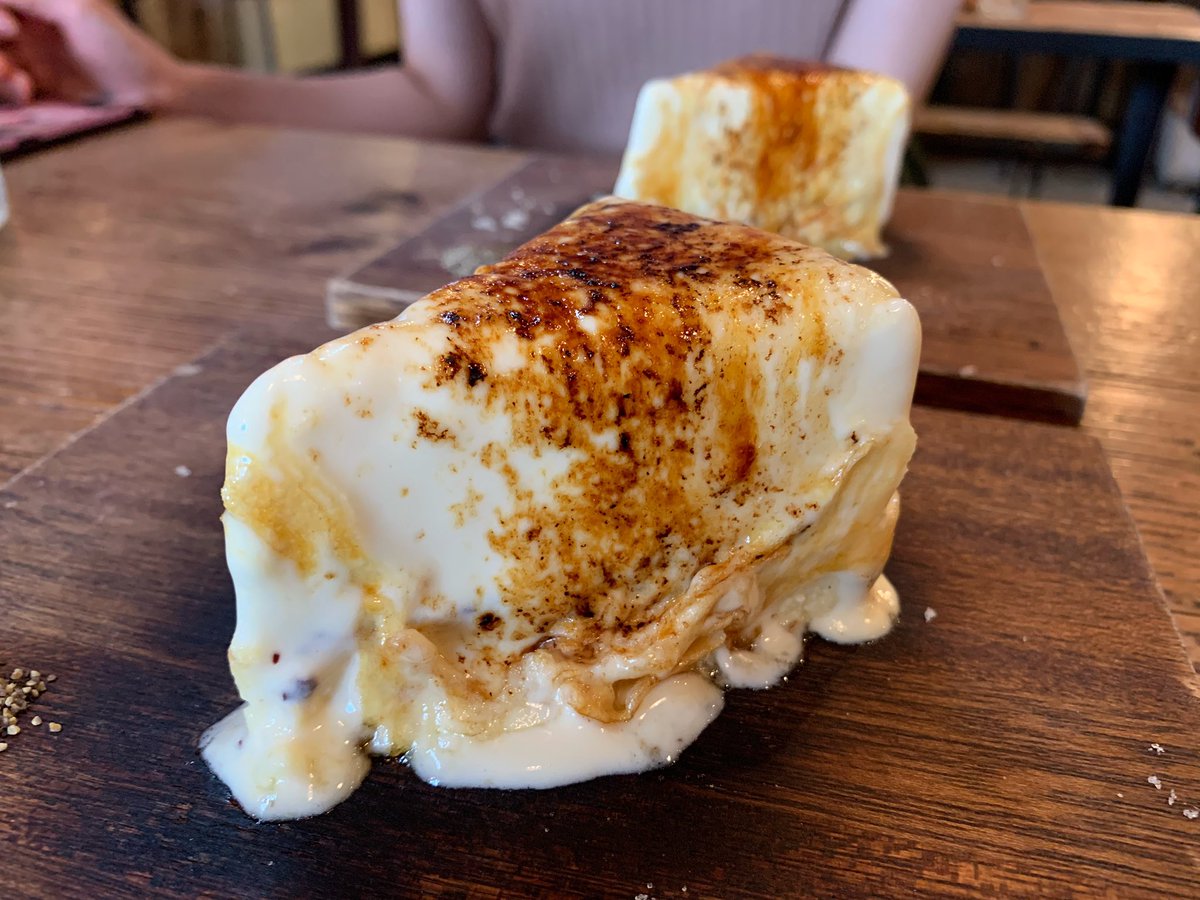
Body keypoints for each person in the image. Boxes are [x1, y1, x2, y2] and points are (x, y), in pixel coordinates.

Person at [0, 0, 960, 154]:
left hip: (783, 258)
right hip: (519, 255)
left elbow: (843, 135)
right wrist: (169, 85)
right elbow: (441, 100)